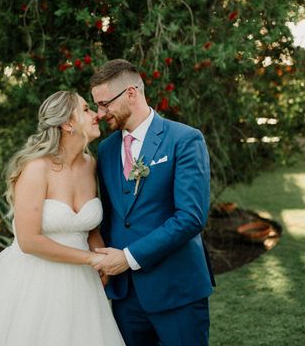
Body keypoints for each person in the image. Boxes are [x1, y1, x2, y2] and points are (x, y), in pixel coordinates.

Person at [0, 91, 125, 346]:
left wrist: (100, 256)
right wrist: (91, 259)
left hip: (82, 282)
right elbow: (29, 241)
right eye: (86, 109)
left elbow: (88, 226)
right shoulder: (36, 168)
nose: (96, 115)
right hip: (36, 280)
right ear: (68, 124)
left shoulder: (91, 164)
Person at [90, 59, 216, 346]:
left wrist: (128, 258)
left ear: (131, 94)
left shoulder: (184, 139)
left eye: (105, 103)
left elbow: (190, 217)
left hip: (177, 290)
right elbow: (112, 215)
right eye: (97, 105)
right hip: (126, 296)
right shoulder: (107, 149)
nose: (100, 113)